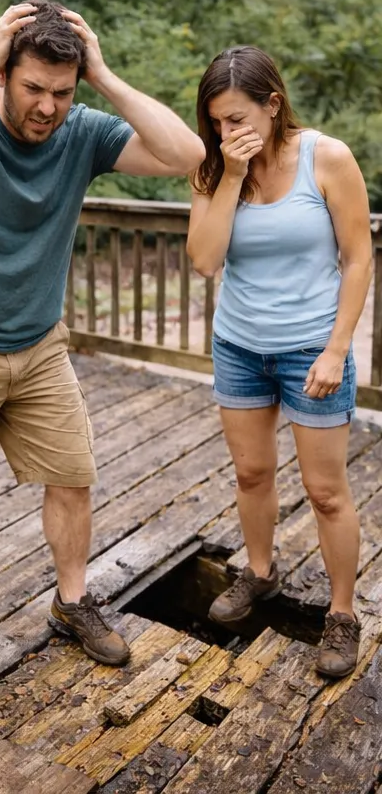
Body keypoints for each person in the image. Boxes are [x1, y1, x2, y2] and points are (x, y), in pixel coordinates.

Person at [0, 0, 205, 689]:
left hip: (39, 346)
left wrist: (106, 77)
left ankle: (72, 601)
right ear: (4, 75)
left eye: (62, 92)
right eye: (32, 88)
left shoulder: (83, 133)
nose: (47, 107)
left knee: (73, 476)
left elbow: (187, 155)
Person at [187, 45, 372, 679]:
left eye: (237, 118)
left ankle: (342, 614)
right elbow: (206, 262)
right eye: (216, 121)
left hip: (311, 349)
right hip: (238, 345)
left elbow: (358, 258)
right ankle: (260, 574)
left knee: (325, 493)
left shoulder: (328, 157)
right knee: (251, 475)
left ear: (273, 104)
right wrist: (232, 175)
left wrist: (338, 347)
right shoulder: (213, 171)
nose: (225, 132)